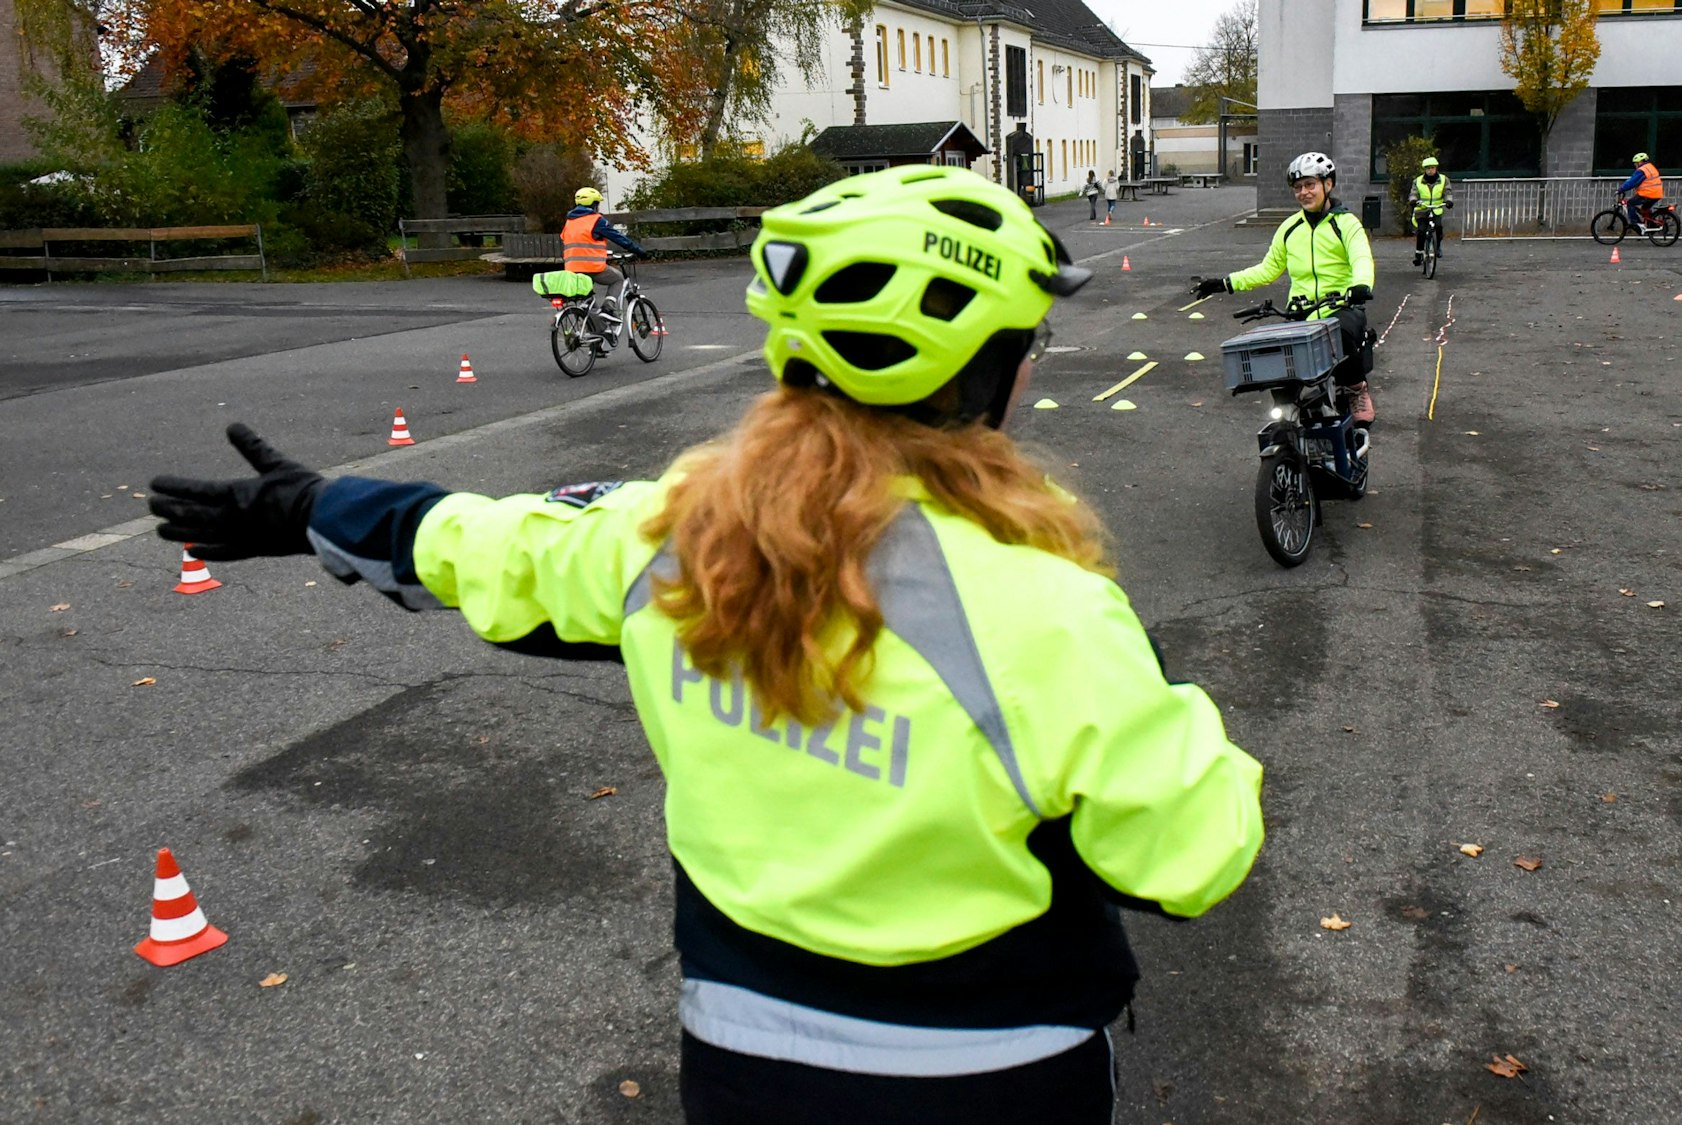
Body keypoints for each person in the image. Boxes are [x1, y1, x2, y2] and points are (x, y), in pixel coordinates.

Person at [146, 166, 1266, 1125]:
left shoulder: (679, 531)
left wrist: (319, 509)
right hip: (994, 1070)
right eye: (1029, 342)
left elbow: (497, 547)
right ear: (985, 367)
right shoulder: (1047, 612)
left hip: (737, 1054)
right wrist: (1166, 708)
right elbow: (1187, 859)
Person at [1191, 151, 1378, 426]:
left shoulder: (1346, 224)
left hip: (1340, 306)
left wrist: (1360, 286)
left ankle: (1355, 389)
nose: (1304, 192)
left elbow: (1361, 258)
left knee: (1345, 334)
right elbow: (1267, 269)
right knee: (1278, 361)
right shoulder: (1290, 228)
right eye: (1298, 187)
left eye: (1310, 184)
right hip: (1301, 312)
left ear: (1328, 184)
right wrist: (1224, 283)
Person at [564, 186, 648, 343]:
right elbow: (619, 238)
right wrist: (639, 250)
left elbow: (578, 242)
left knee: (589, 304)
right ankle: (609, 307)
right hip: (592, 267)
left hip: (572, 269)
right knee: (617, 278)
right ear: (594, 204)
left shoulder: (569, 221)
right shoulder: (596, 220)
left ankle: (599, 340)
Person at [1408, 155, 1453, 267]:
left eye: (1432, 168)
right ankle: (1418, 254)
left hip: (1436, 209)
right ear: (1425, 169)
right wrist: (1413, 200)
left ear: (1436, 168)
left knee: (1438, 227)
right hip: (1422, 210)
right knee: (1421, 231)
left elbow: (1448, 192)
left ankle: (1437, 247)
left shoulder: (1443, 180)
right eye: (1427, 168)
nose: (1430, 170)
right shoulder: (1418, 181)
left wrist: (1448, 201)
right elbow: (1413, 193)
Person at [1617, 153, 1665, 231]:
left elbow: (1632, 182)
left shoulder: (1642, 170)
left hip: (1648, 193)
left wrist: (1621, 189)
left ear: (1640, 162)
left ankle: (1635, 224)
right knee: (1644, 209)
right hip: (1657, 193)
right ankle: (1650, 226)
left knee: (1630, 203)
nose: (1635, 165)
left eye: (1636, 163)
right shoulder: (1651, 167)